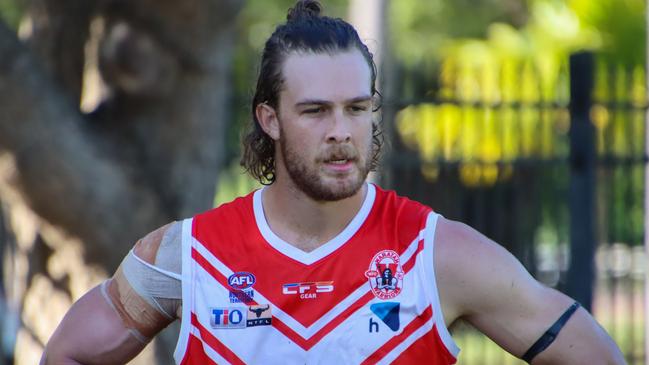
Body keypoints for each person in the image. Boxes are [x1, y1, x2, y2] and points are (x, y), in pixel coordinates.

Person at [41, 1, 625, 364]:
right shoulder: (187, 257)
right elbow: (68, 354)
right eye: (316, 111)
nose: (342, 131)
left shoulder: (438, 254)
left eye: (357, 107)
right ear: (269, 119)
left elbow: (595, 356)